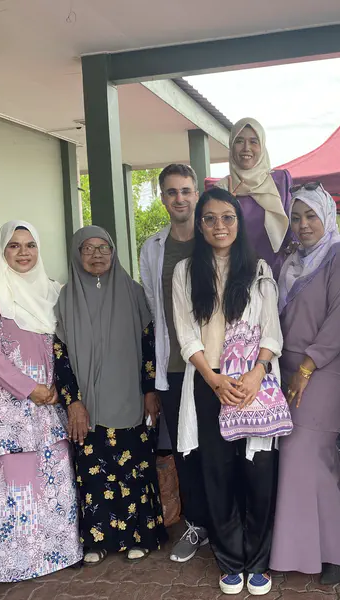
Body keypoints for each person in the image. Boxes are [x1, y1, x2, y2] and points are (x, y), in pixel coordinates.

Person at [172, 187, 282, 596]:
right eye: (210, 218)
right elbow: (186, 333)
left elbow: (272, 332)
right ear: (199, 225)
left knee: (258, 472)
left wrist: (256, 373)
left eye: (228, 217)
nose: (220, 226)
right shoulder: (186, 272)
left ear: (239, 222)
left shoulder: (258, 271)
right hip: (209, 381)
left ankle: (258, 560)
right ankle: (230, 559)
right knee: (217, 473)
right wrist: (213, 378)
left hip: (254, 380)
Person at [0, 221, 83, 581]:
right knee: (14, 482)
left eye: (30, 245)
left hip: (49, 404)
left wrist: (58, 390)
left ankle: (58, 553)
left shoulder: (53, 291)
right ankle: (13, 564)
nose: (23, 253)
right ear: (2, 251)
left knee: (52, 476)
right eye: (14, 246)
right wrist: (28, 387)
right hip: (8, 406)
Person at [54, 226, 167, 565]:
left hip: (131, 399)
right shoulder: (65, 298)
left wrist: (150, 391)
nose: (97, 254)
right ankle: (98, 540)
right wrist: (72, 401)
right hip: (87, 404)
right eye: (88, 248)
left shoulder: (133, 293)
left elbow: (150, 345)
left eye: (104, 247)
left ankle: (141, 536)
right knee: (91, 472)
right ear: (77, 254)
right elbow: (59, 354)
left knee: (134, 469)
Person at [269, 183, 340, 584]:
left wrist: (307, 367)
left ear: (327, 217)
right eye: (297, 216)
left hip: (332, 363)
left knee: (301, 447)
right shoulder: (289, 260)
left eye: (311, 216)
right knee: (319, 453)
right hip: (291, 366)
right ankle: (335, 545)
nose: (304, 225)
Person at [140, 163, 210, 563]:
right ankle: (197, 524)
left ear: (196, 193)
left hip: (214, 365)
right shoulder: (153, 248)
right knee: (185, 452)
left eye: (186, 190)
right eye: (171, 192)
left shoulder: (213, 237)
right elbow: (154, 313)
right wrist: (152, 378)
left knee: (220, 447)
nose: (179, 198)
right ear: (162, 197)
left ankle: (226, 523)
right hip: (173, 366)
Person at [215, 117, 293, 278]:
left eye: (253, 141)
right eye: (239, 141)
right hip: (236, 277)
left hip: (278, 274)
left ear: (262, 146)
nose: (246, 148)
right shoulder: (221, 189)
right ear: (231, 146)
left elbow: (294, 227)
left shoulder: (280, 181)